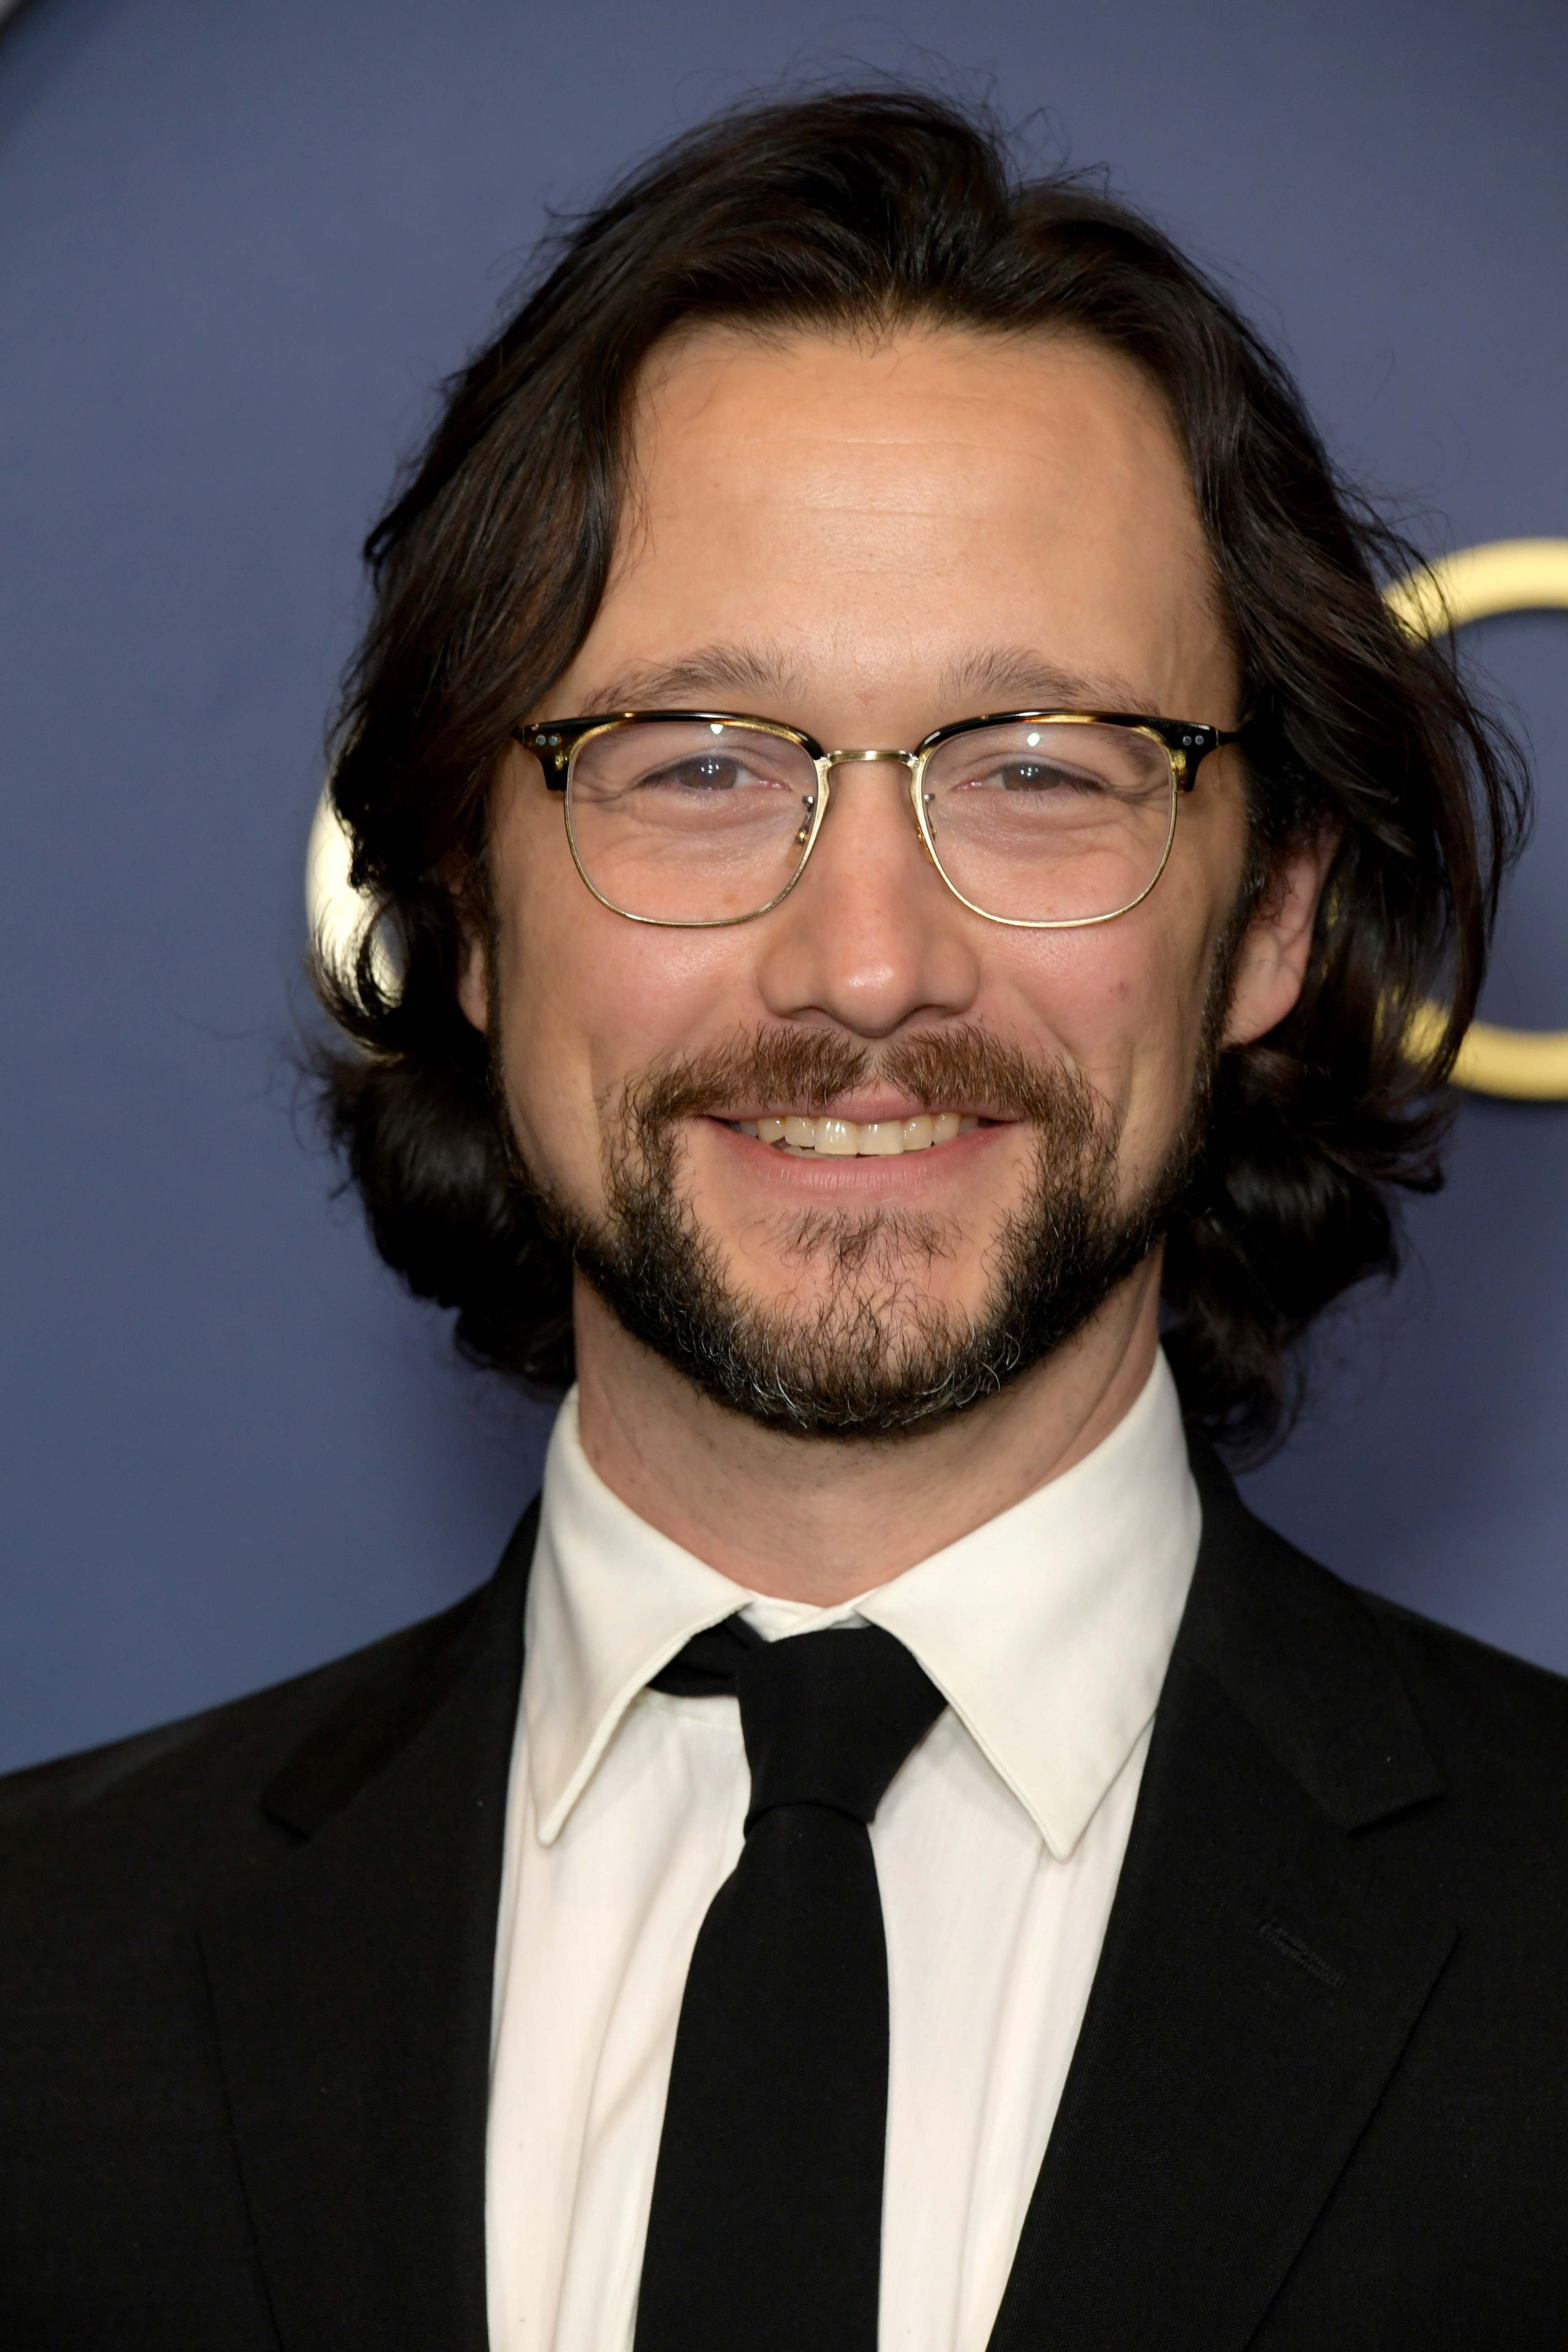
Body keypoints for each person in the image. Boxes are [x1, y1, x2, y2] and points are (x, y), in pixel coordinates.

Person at [2, 86, 1564, 2352]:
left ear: (1274, 923)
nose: (864, 965)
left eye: (1036, 768)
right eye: (699, 762)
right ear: (465, 906)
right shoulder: (43, 1978)